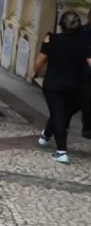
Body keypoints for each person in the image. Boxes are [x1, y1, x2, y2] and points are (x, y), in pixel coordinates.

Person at [34, 11, 91, 164]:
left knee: (58, 114)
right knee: (61, 113)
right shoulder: (84, 43)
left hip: (54, 84)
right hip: (76, 86)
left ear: (61, 25)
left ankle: (61, 152)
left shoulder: (51, 38)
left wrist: (35, 71)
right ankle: (46, 136)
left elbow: (41, 59)